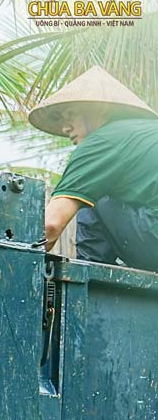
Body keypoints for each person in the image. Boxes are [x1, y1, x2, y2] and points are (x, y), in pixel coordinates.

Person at [31, 66, 158, 271]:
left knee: (92, 193)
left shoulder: (103, 141)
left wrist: (14, 266)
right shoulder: (142, 134)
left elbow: (50, 225)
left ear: (101, 109)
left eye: (70, 115)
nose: (65, 128)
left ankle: (91, 273)